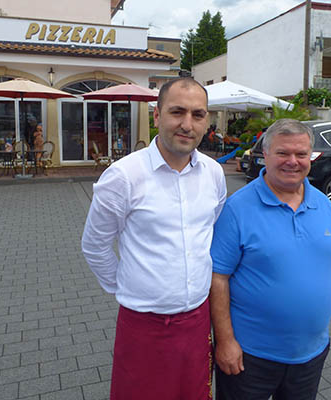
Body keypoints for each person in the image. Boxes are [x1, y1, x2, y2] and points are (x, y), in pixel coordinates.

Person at [81, 77, 226, 400]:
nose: (187, 124)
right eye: (177, 112)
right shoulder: (123, 176)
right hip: (143, 325)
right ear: (156, 116)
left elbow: (208, 230)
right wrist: (126, 286)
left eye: (198, 115)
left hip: (198, 321)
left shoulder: (214, 174)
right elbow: (95, 245)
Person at [210, 118, 331, 400]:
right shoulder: (238, 208)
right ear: (264, 155)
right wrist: (226, 341)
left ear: (310, 157)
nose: (293, 161)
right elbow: (218, 278)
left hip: (310, 355)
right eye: (283, 153)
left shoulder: (324, 205)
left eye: (301, 154)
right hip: (249, 356)